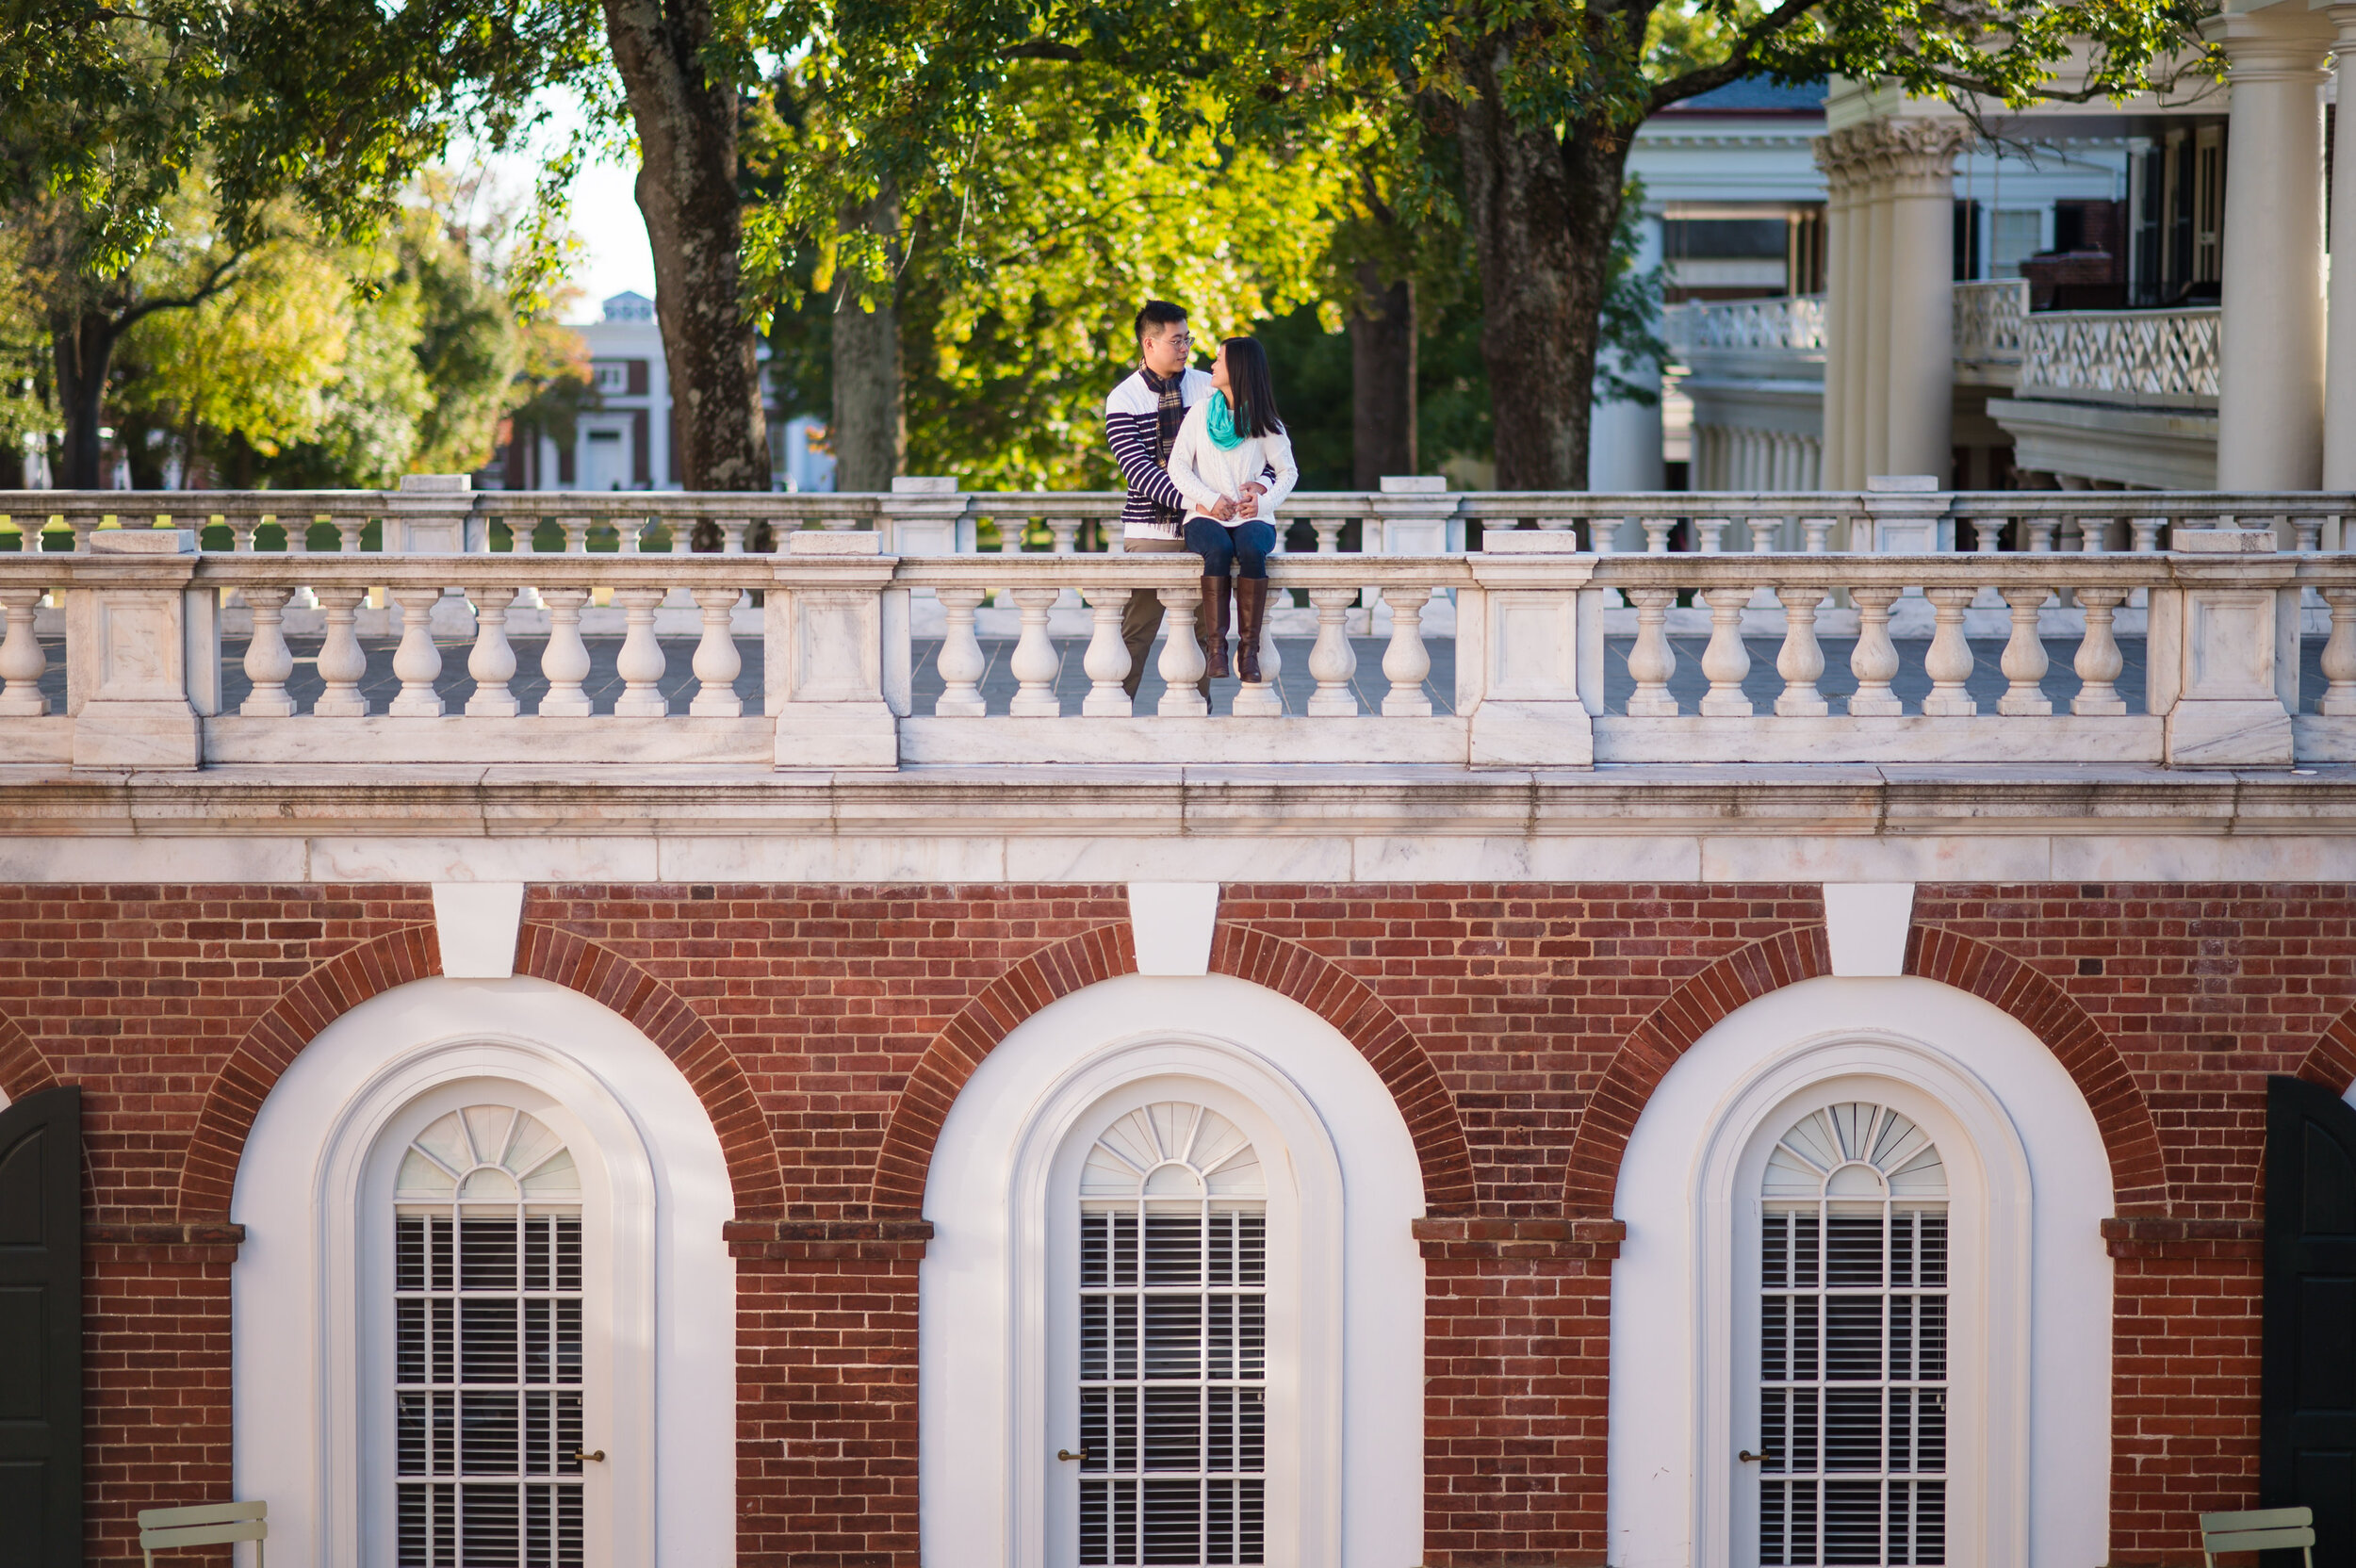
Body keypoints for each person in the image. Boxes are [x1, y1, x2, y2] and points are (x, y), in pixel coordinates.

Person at [1101, 301, 1268, 699]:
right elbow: (1139, 472)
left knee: (1204, 628)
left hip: (1212, 526)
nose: (1185, 348)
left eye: (1187, 338)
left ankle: (1197, 712)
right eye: (1176, 340)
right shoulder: (1123, 399)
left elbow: (1256, 444)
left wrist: (1259, 485)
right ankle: (1114, 711)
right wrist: (1201, 500)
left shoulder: (1208, 388)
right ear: (1149, 343)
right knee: (1137, 630)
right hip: (1151, 529)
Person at [1166, 337, 1297, 682]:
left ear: (1237, 369)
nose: (1212, 365)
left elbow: (1288, 471)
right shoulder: (1198, 415)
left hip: (1251, 517)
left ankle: (1249, 652)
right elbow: (1177, 467)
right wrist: (1209, 500)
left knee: (1253, 549)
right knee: (1219, 549)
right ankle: (1216, 650)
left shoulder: (1264, 420)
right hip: (1205, 517)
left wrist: (1263, 500)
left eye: (1219, 360)